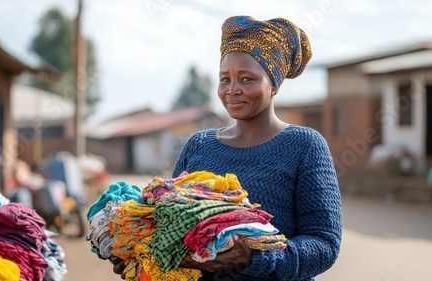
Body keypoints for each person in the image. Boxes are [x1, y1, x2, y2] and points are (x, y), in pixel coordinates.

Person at [111, 15, 342, 280]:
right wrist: (137, 252)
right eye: (225, 79)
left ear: (274, 84)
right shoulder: (199, 145)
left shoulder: (304, 145)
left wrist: (255, 258)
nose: (232, 90)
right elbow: (167, 221)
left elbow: (324, 244)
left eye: (246, 79)